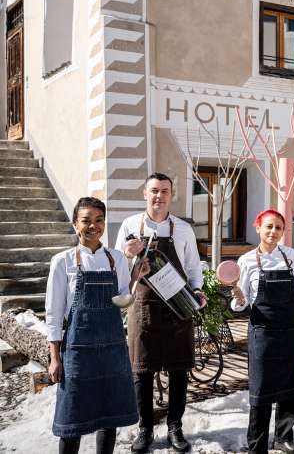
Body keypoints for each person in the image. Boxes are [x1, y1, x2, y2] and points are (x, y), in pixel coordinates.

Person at [115, 173, 207, 453]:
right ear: (145, 193)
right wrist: (127, 254)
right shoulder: (130, 225)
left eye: (164, 191)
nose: (159, 196)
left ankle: (175, 427)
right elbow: (117, 268)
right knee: (141, 371)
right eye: (154, 191)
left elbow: (192, 266)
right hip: (143, 307)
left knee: (179, 370)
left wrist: (197, 291)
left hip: (178, 306)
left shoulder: (183, 229)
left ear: (172, 194)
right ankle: (144, 429)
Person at [46, 197, 144, 454]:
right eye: (86, 220)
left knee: (109, 417)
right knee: (72, 420)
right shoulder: (63, 261)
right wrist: (55, 357)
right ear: (75, 224)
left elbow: (122, 299)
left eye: (99, 220)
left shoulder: (117, 258)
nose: (93, 226)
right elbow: (54, 314)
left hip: (112, 349)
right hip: (78, 352)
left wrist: (135, 276)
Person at [230, 209, 294, 454]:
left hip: (290, 330)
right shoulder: (246, 260)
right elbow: (240, 305)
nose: (273, 232)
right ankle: (257, 444)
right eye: (268, 227)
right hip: (263, 333)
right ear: (258, 228)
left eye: (278, 227)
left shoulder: (290, 256)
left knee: (290, 385)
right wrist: (237, 298)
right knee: (261, 388)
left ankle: (284, 436)